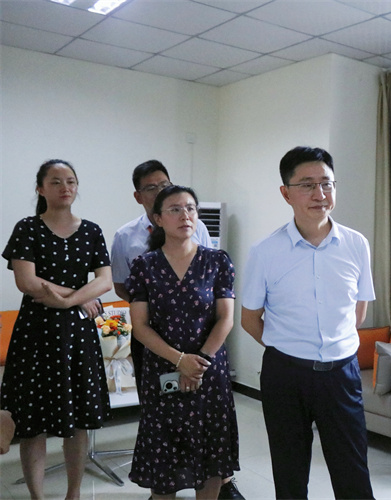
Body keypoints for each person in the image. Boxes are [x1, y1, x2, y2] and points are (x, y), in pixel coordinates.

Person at [241, 146, 375, 499]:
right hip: (285, 375)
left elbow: (358, 312)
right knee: (290, 471)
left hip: (341, 374)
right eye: (307, 185)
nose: (320, 194)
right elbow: (250, 319)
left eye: (327, 183)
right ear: (286, 193)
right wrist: (289, 346)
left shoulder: (356, 244)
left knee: (353, 471)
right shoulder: (265, 251)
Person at [1, 159, 112, 499]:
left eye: (71, 181)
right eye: (55, 181)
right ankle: (37, 497)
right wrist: (79, 297)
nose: (65, 187)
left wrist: (67, 301)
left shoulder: (91, 231)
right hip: (35, 333)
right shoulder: (27, 228)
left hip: (77, 336)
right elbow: (27, 282)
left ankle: (73, 494)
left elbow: (105, 281)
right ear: (40, 189)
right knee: (31, 424)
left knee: (77, 422)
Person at [126, 185, 239, 499]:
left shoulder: (217, 261)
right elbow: (140, 326)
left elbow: (225, 319)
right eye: (175, 209)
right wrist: (180, 361)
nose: (185, 215)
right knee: (165, 461)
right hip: (163, 370)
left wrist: (198, 362)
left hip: (209, 372)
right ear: (158, 219)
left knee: (211, 456)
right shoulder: (145, 266)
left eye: (190, 208)